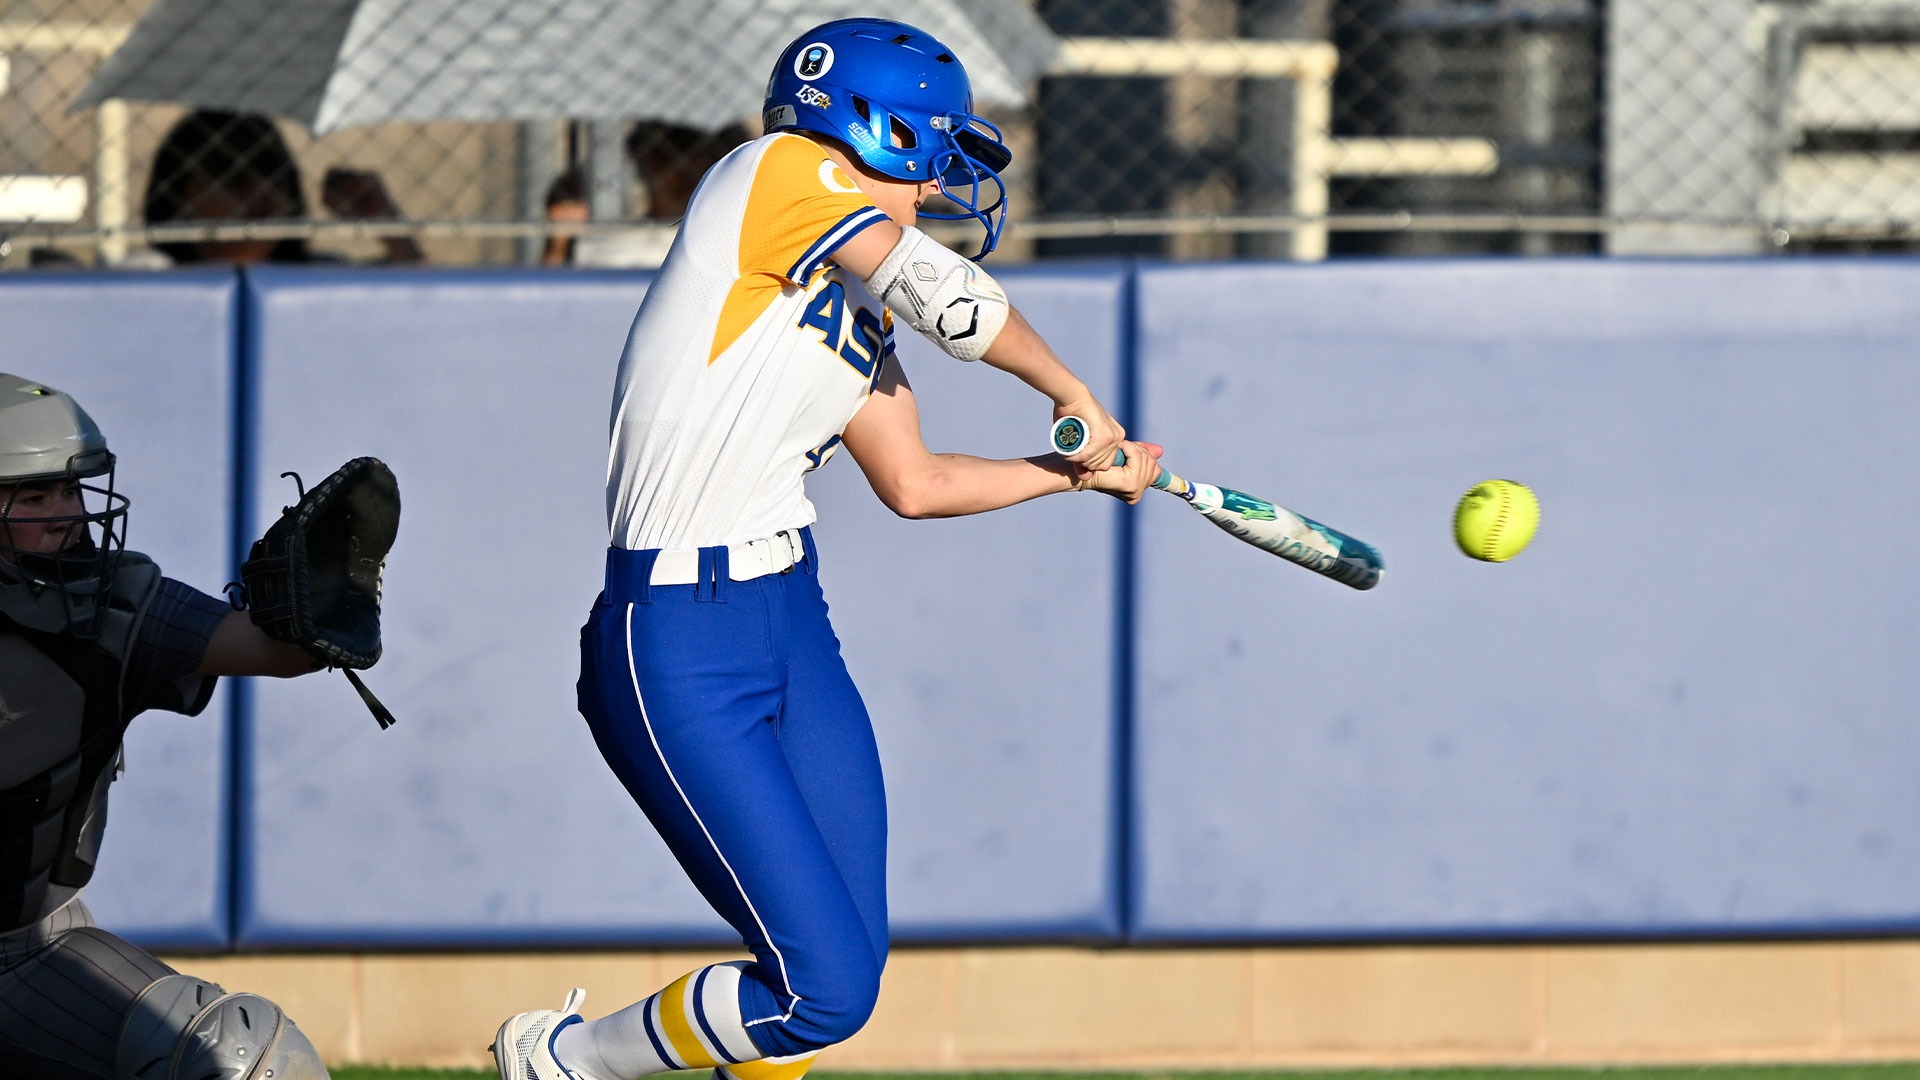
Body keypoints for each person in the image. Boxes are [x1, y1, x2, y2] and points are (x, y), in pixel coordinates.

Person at [492, 18, 1161, 1080]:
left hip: (792, 622)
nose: (943, 179)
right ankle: (566, 1062)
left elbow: (916, 482)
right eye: (933, 149)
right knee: (823, 992)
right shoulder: (777, 171)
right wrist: (1071, 390)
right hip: (676, 641)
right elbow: (955, 301)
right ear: (874, 129)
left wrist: (1068, 470)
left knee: (844, 957)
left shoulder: (852, 300)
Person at [0, 373, 337, 1079]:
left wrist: (328, 604)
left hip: (25, 946)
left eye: (72, 490)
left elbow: (270, 650)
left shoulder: (113, 604)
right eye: (35, 495)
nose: (67, 513)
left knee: (244, 1057)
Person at [141, 108, 423, 267]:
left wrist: (388, 227)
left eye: (272, 169)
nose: (261, 188)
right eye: (232, 173)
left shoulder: (318, 277)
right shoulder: (150, 277)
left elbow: (425, 311)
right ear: (178, 193)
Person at [542, 121, 751, 267]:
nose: (691, 171)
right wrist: (557, 246)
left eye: (711, 158)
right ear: (646, 161)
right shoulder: (606, 249)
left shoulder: (747, 249)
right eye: (669, 156)